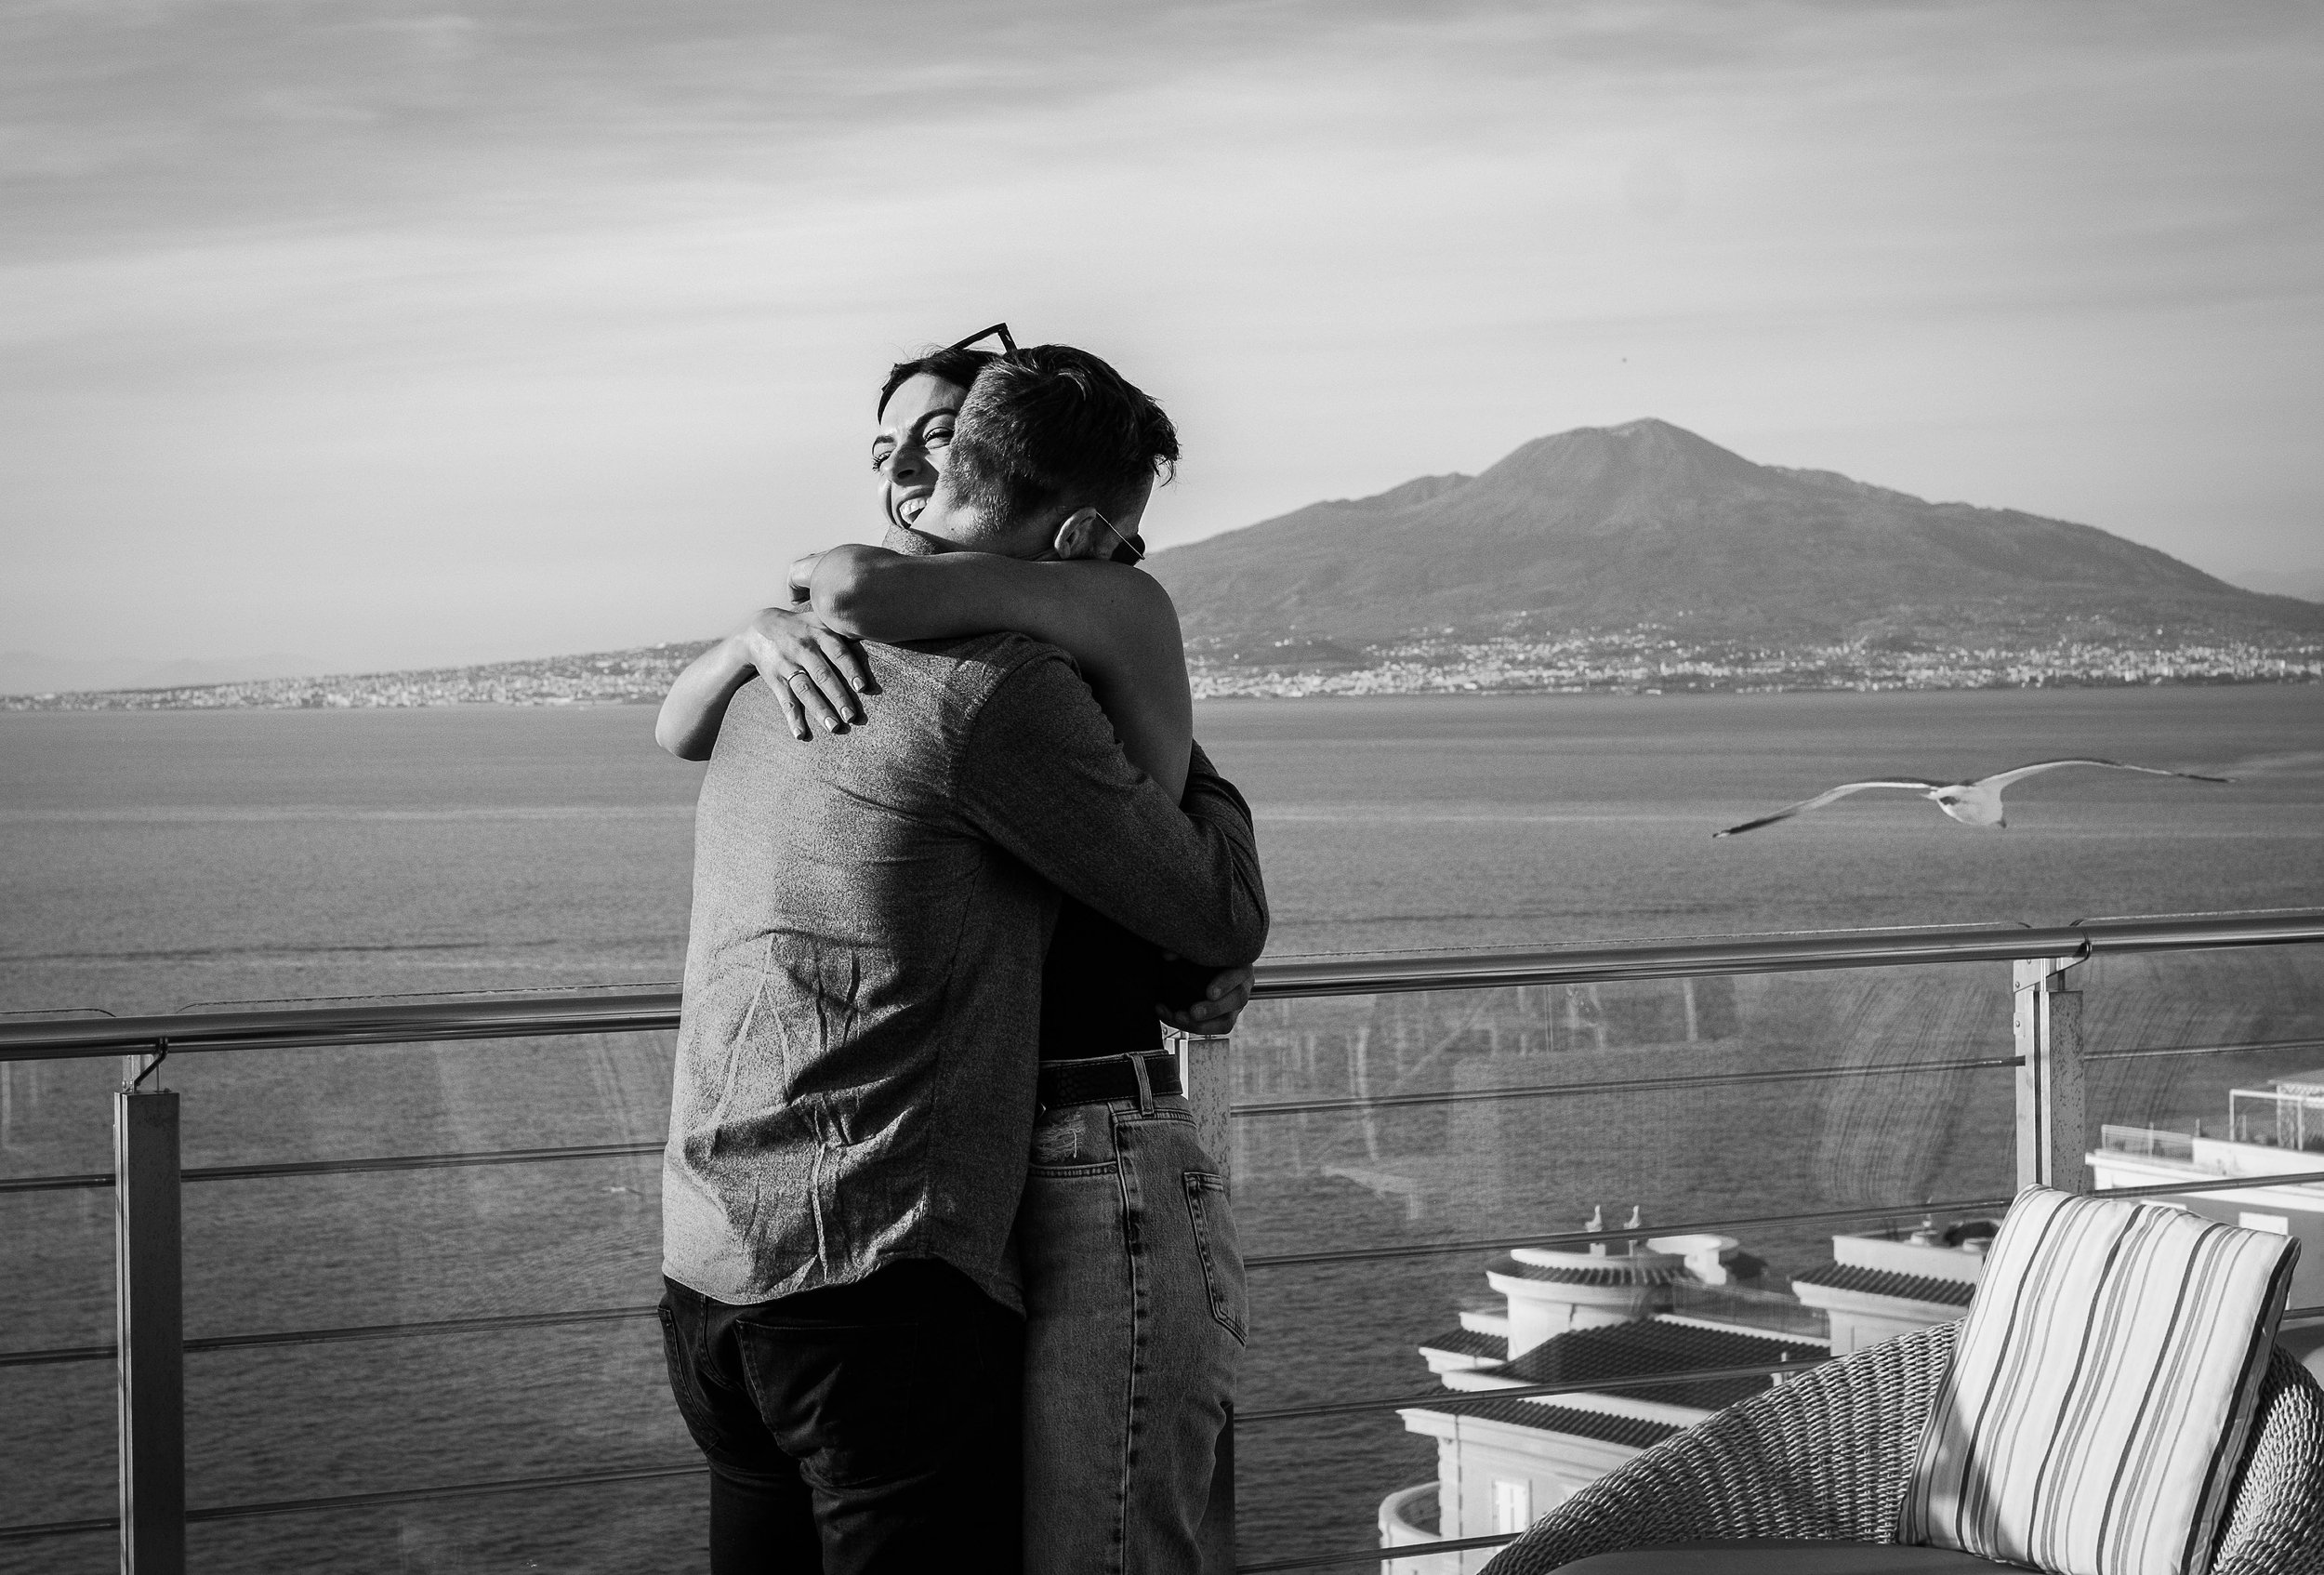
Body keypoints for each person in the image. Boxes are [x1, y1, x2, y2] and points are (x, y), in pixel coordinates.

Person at [656, 337, 1266, 1575]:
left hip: (710, 1279)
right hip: (872, 1281)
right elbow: (1211, 909)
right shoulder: (995, 688)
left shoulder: (780, 671)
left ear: (957, 460)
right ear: (1092, 532)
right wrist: (1140, 657)